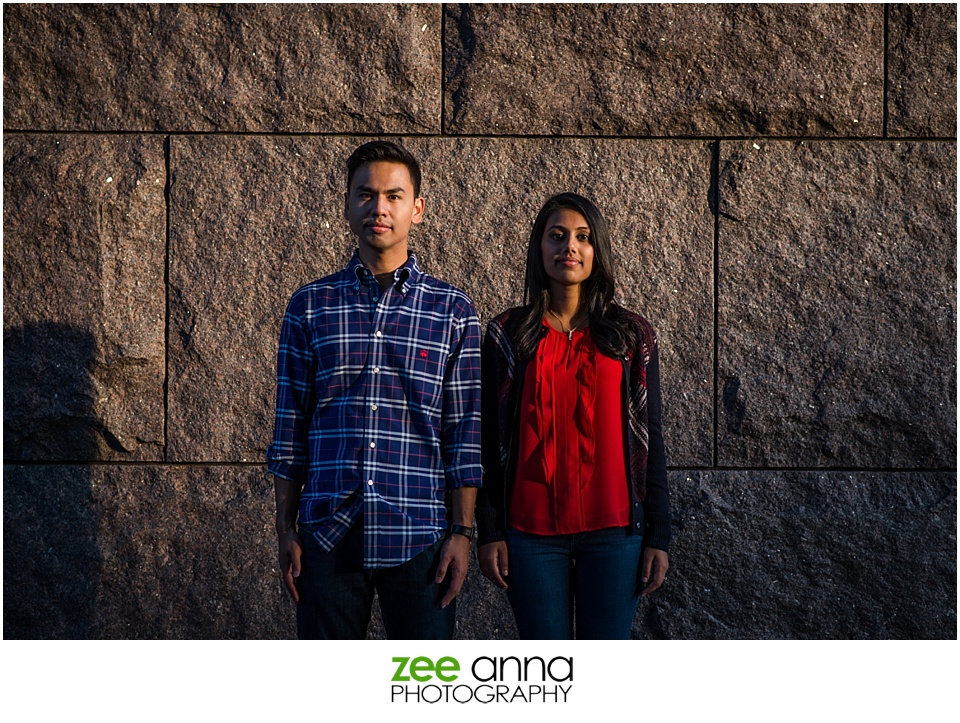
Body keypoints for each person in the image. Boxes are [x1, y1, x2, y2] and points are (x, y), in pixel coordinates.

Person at [267, 140, 482, 639]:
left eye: (393, 196)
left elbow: (464, 434)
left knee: (422, 688)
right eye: (365, 195)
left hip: (421, 536)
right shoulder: (310, 305)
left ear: (417, 208)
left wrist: (462, 534)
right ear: (347, 203)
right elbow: (289, 427)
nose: (379, 208)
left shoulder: (453, 312)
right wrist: (284, 529)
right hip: (327, 533)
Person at [475, 192, 670, 639]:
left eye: (583, 237)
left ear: (596, 249)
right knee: (548, 679)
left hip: (616, 536)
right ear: (538, 248)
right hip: (529, 537)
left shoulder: (630, 335)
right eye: (557, 236)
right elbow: (487, 440)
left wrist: (658, 534)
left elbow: (650, 436)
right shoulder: (507, 334)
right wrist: (489, 530)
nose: (570, 247)